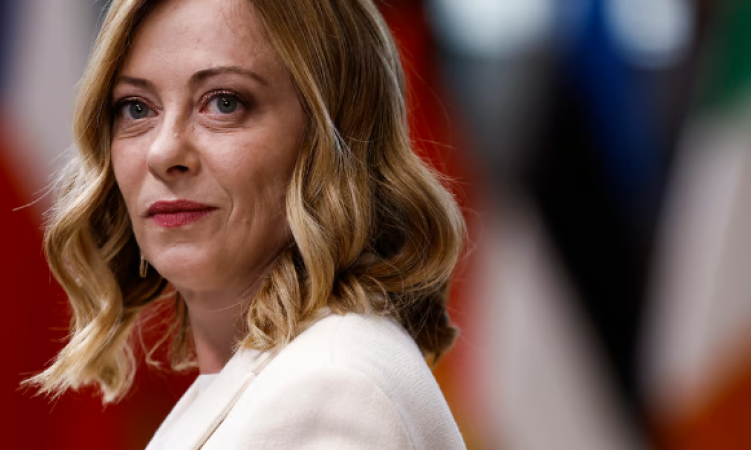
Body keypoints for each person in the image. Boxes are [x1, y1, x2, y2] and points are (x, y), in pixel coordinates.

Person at [27, 0, 467, 448]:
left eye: (224, 102)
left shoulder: (329, 390)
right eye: (136, 109)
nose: (163, 153)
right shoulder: (278, 376)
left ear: (330, 136)